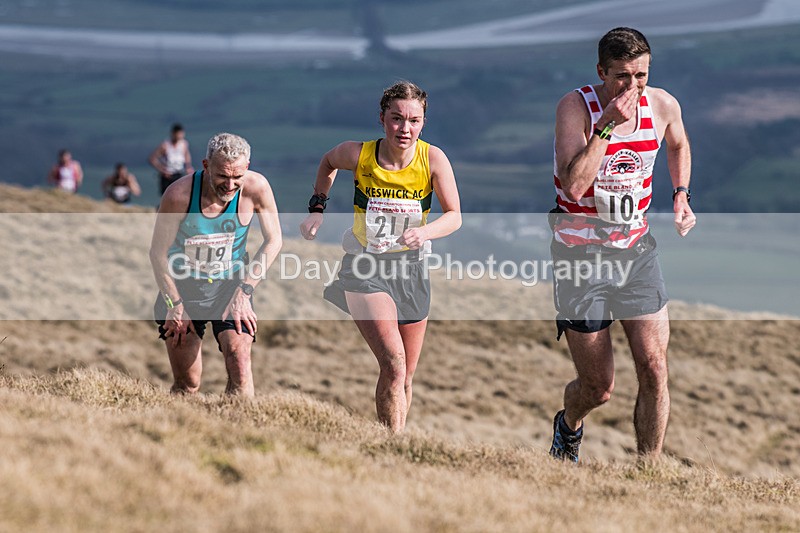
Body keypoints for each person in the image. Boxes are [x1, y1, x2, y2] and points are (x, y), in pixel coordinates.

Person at [548, 27, 696, 462]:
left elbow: (679, 143)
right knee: (598, 387)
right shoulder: (576, 108)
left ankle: (648, 469)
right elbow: (574, 186)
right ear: (601, 72)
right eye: (621, 77)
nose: (632, 87)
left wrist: (681, 195)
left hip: (636, 253)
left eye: (640, 76)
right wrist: (607, 125)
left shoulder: (663, 104)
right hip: (580, 256)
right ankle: (568, 424)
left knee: (654, 367)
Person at [299, 81, 461, 433]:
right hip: (365, 267)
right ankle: (391, 444)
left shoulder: (432, 159)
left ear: (423, 122)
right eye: (397, 119)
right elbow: (328, 161)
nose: (405, 128)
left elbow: (454, 215)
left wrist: (424, 232)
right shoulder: (359, 154)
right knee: (394, 363)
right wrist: (317, 208)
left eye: (414, 120)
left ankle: (395, 443)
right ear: (382, 119)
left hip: (412, 269)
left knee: (406, 376)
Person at [149, 133, 282, 396]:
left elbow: (274, 240)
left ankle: (239, 431)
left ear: (248, 167)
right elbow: (157, 253)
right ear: (206, 165)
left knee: (240, 368)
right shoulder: (178, 195)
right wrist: (174, 305)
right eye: (222, 176)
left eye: (237, 177)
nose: (230, 185)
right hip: (183, 288)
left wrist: (245, 292)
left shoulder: (257, 188)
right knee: (188, 384)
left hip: (231, 286)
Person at [149, 123, 194, 196]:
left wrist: (188, 166)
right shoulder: (165, 146)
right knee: (166, 195)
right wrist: (162, 169)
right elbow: (152, 159)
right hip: (167, 175)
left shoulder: (184, 144)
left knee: (178, 194)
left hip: (178, 173)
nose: (180, 136)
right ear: (173, 133)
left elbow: (186, 155)